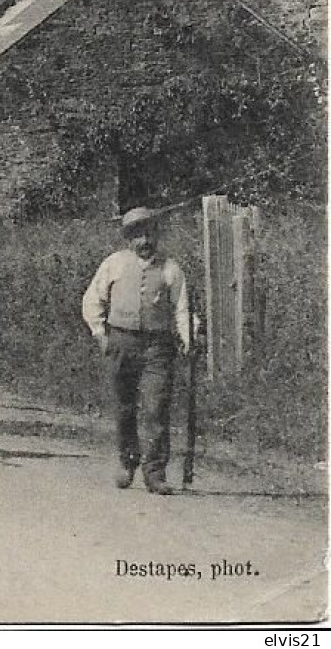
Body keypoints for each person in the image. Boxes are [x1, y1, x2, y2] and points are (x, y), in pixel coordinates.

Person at [81, 207, 192, 495]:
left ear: (157, 235)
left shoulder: (171, 268)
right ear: (129, 239)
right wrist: (100, 334)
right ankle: (127, 462)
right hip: (121, 342)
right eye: (137, 235)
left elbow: (182, 308)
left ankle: (155, 473)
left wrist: (188, 339)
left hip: (157, 347)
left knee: (156, 408)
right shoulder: (114, 264)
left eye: (149, 234)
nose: (144, 241)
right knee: (125, 406)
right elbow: (93, 299)